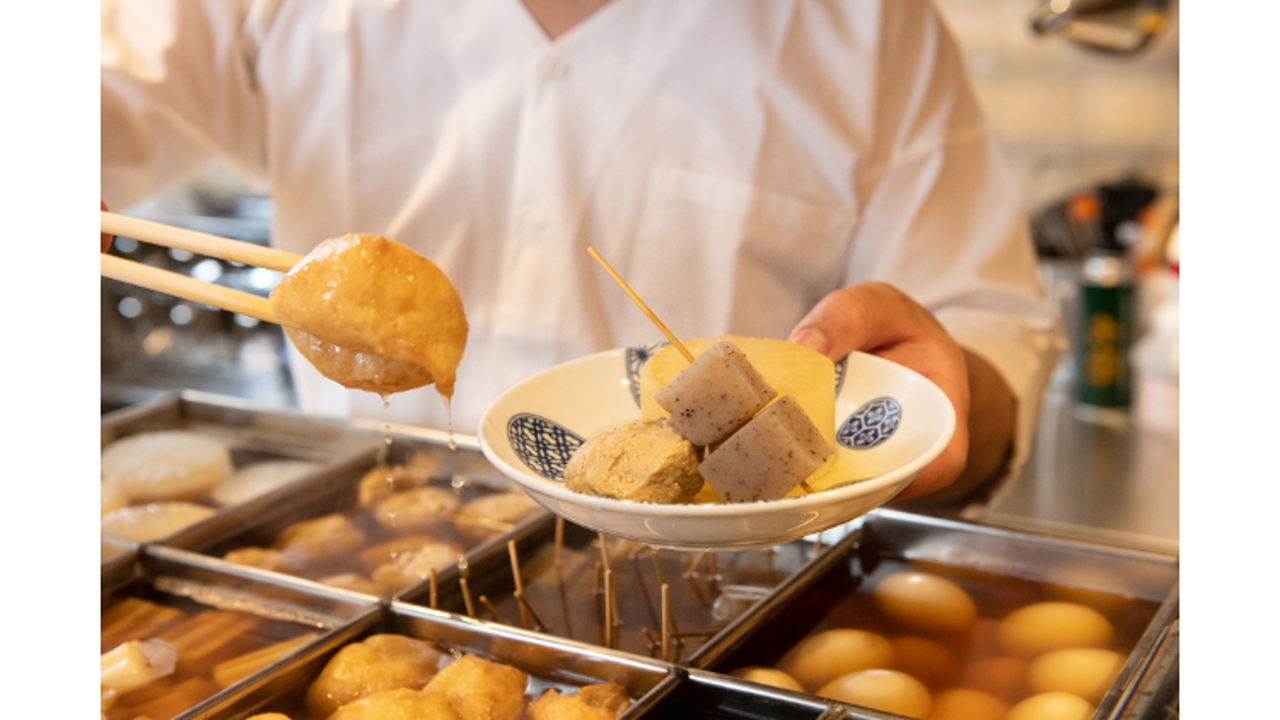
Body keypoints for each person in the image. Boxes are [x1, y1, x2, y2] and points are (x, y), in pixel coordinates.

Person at [101, 0, 1066, 510]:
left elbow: (987, 333)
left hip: (724, 597)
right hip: (359, 532)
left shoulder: (868, 27)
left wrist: (939, 401)